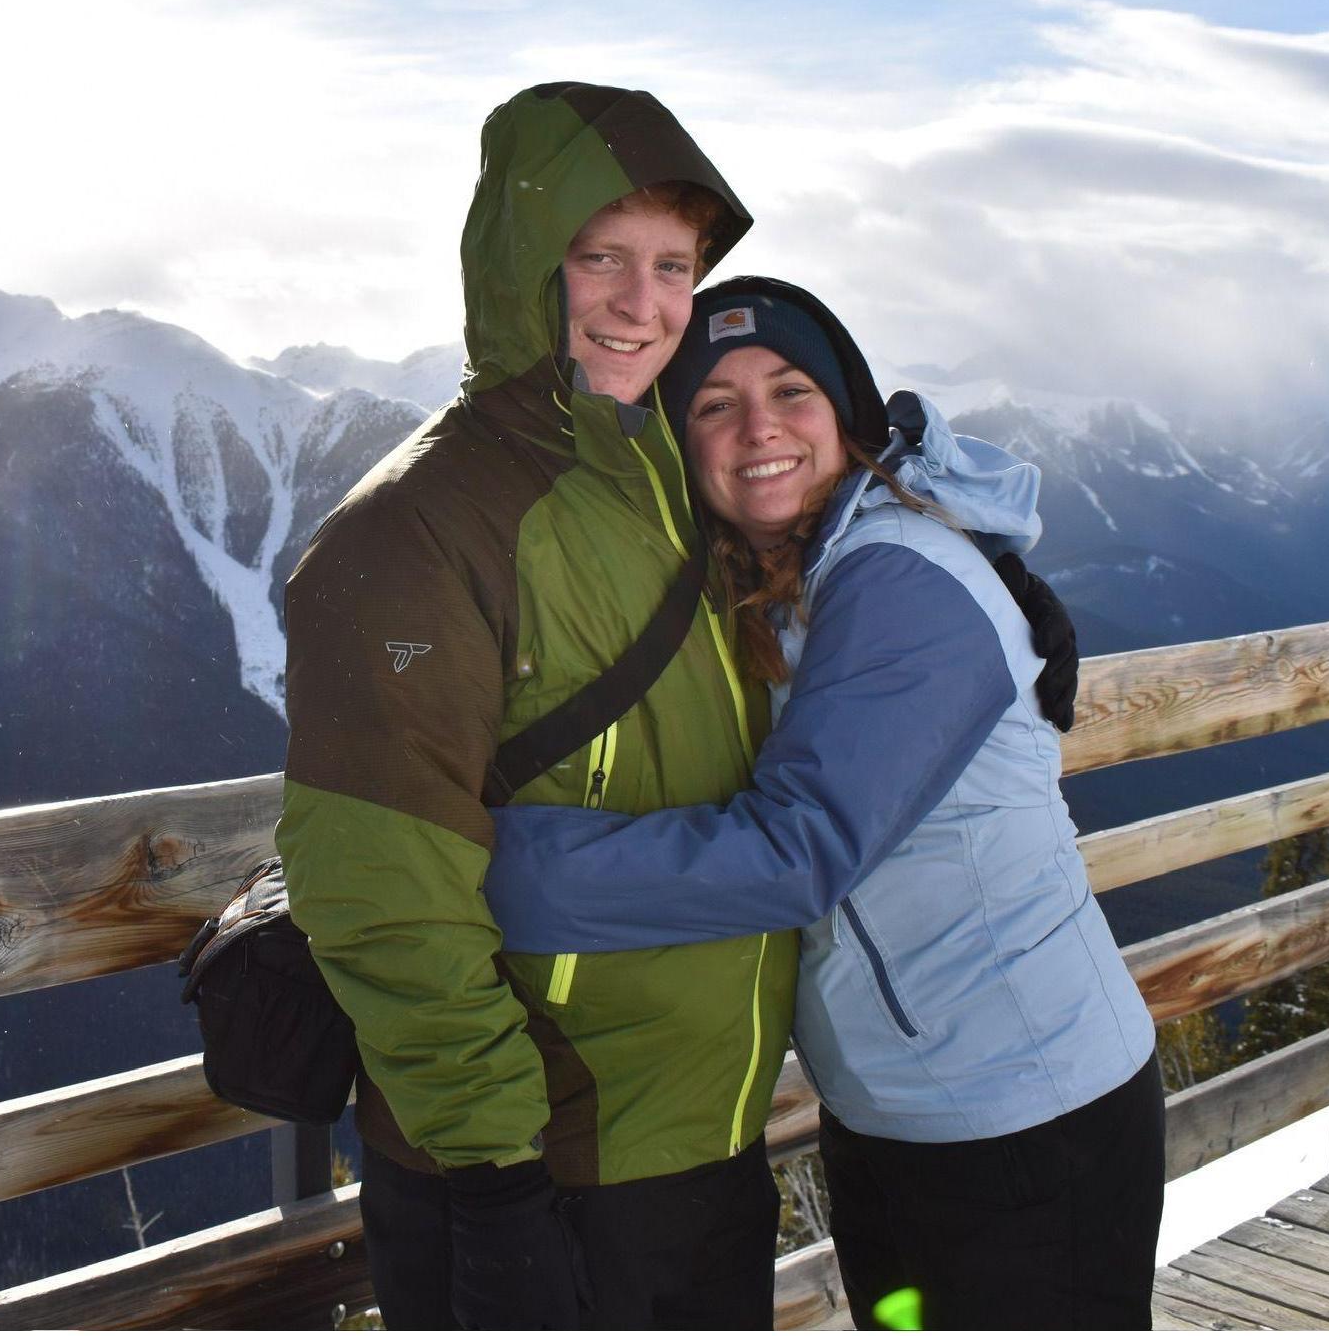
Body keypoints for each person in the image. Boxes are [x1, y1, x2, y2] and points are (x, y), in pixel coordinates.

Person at [277, 84, 1077, 1331]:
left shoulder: (657, 468)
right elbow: (378, 890)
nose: (641, 302)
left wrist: (992, 581)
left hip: (700, 1141)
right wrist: (492, 1177)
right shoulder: (413, 532)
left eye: (670, 266)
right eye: (599, 256)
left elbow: (820, 515)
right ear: (522, 262)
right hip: (546, 1161)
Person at [484, 278, 1164, 1331]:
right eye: (715, 404)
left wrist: (480, 867)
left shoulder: (896, 574)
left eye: (790, 390)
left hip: (1025, 1119)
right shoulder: (778, 578)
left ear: (844, 416)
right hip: (898, 1114)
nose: (758, 427)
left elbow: (796, 850)